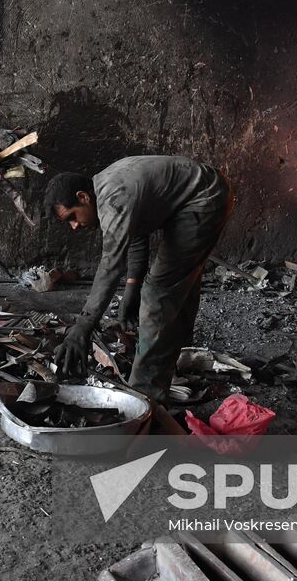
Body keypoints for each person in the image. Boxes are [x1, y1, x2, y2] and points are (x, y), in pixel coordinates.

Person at [44, 156, 233, 400]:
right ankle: (172, 351)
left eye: (72, 216)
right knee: (178, 281)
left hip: (204, 198)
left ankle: (145, 395)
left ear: (83, 197)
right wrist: (132, 287)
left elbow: (110, 265)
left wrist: (83, 327)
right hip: (204, 189)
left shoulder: (114, 200)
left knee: (158, 292)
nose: (74, 226)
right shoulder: (106, 185)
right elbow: (136, 235)